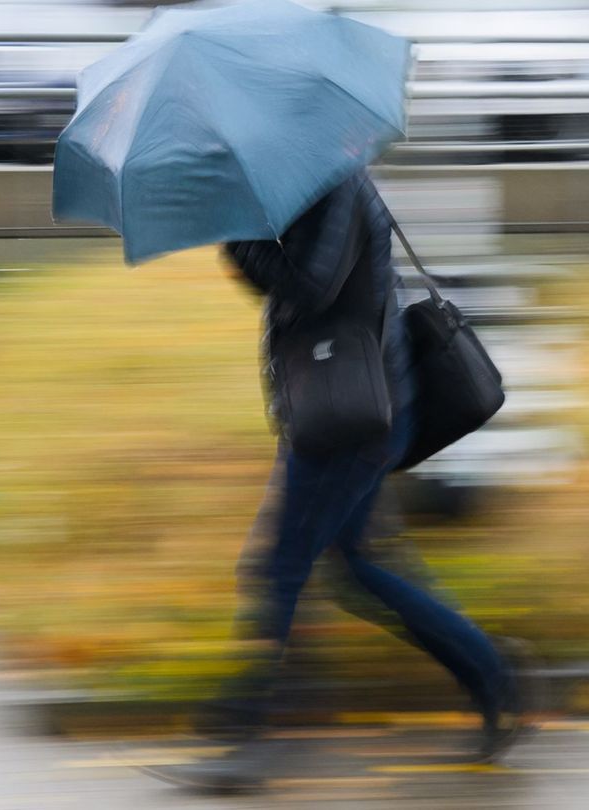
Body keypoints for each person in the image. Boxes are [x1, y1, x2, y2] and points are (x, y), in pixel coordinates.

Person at [186, 170, 527, 787]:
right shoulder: (311, 180)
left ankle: (245, 735)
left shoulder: (335, 182)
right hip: (344, 407)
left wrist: (238, 238)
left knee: (279, 570)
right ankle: (495, 671)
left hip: (353, 417)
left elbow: (311, 285)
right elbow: (300, 284)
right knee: (358, 568)